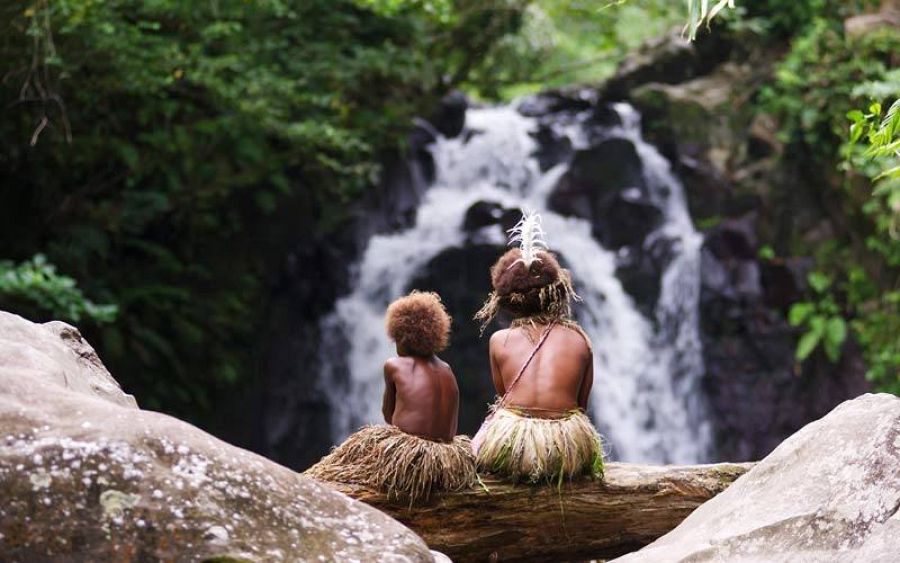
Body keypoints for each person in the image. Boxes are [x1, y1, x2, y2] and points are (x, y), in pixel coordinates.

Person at [305, 291, 475, 504]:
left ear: (402, 337)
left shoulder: (395, 365)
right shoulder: (447, 370)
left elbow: (388, 415)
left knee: (349, 458)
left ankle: (313, 490)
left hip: (410, 456)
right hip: (448, 458)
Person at [472, 211, 604, 485]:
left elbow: (504, 398)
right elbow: (581, 405)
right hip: (566, 447)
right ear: (556, 293)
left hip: (512, 445)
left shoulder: (499, 340)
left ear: (507, 301)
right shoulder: (579, 339)